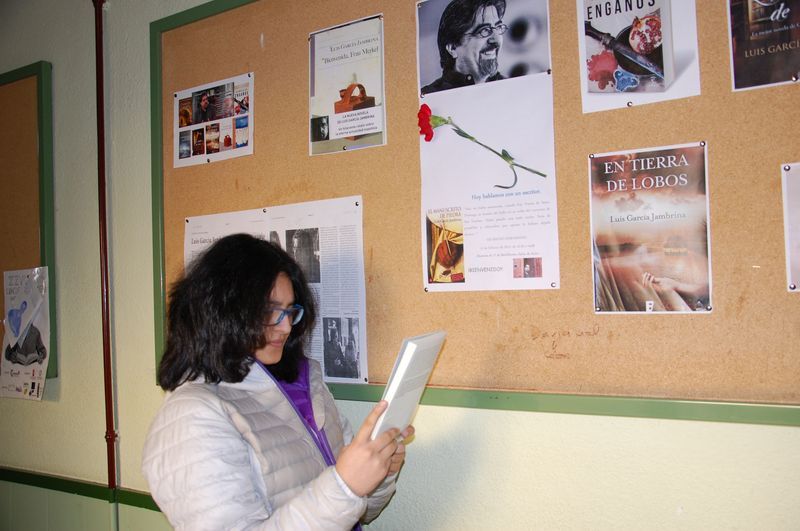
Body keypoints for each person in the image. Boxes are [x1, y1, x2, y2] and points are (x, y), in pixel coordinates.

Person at [142, 234, 412, 530]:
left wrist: (379, 472)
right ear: (223, 312)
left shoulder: (305, 384)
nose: (285, 327)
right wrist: (345, 486)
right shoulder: (192, 416)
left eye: (289, 311)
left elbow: (358, 513)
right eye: (269, 311)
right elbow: (340, 495)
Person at [421, 0, 508, 95]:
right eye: (484, 30)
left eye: (498, 27)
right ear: (452, 48)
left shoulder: (509, 87)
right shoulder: (430, 96)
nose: (496, 39)